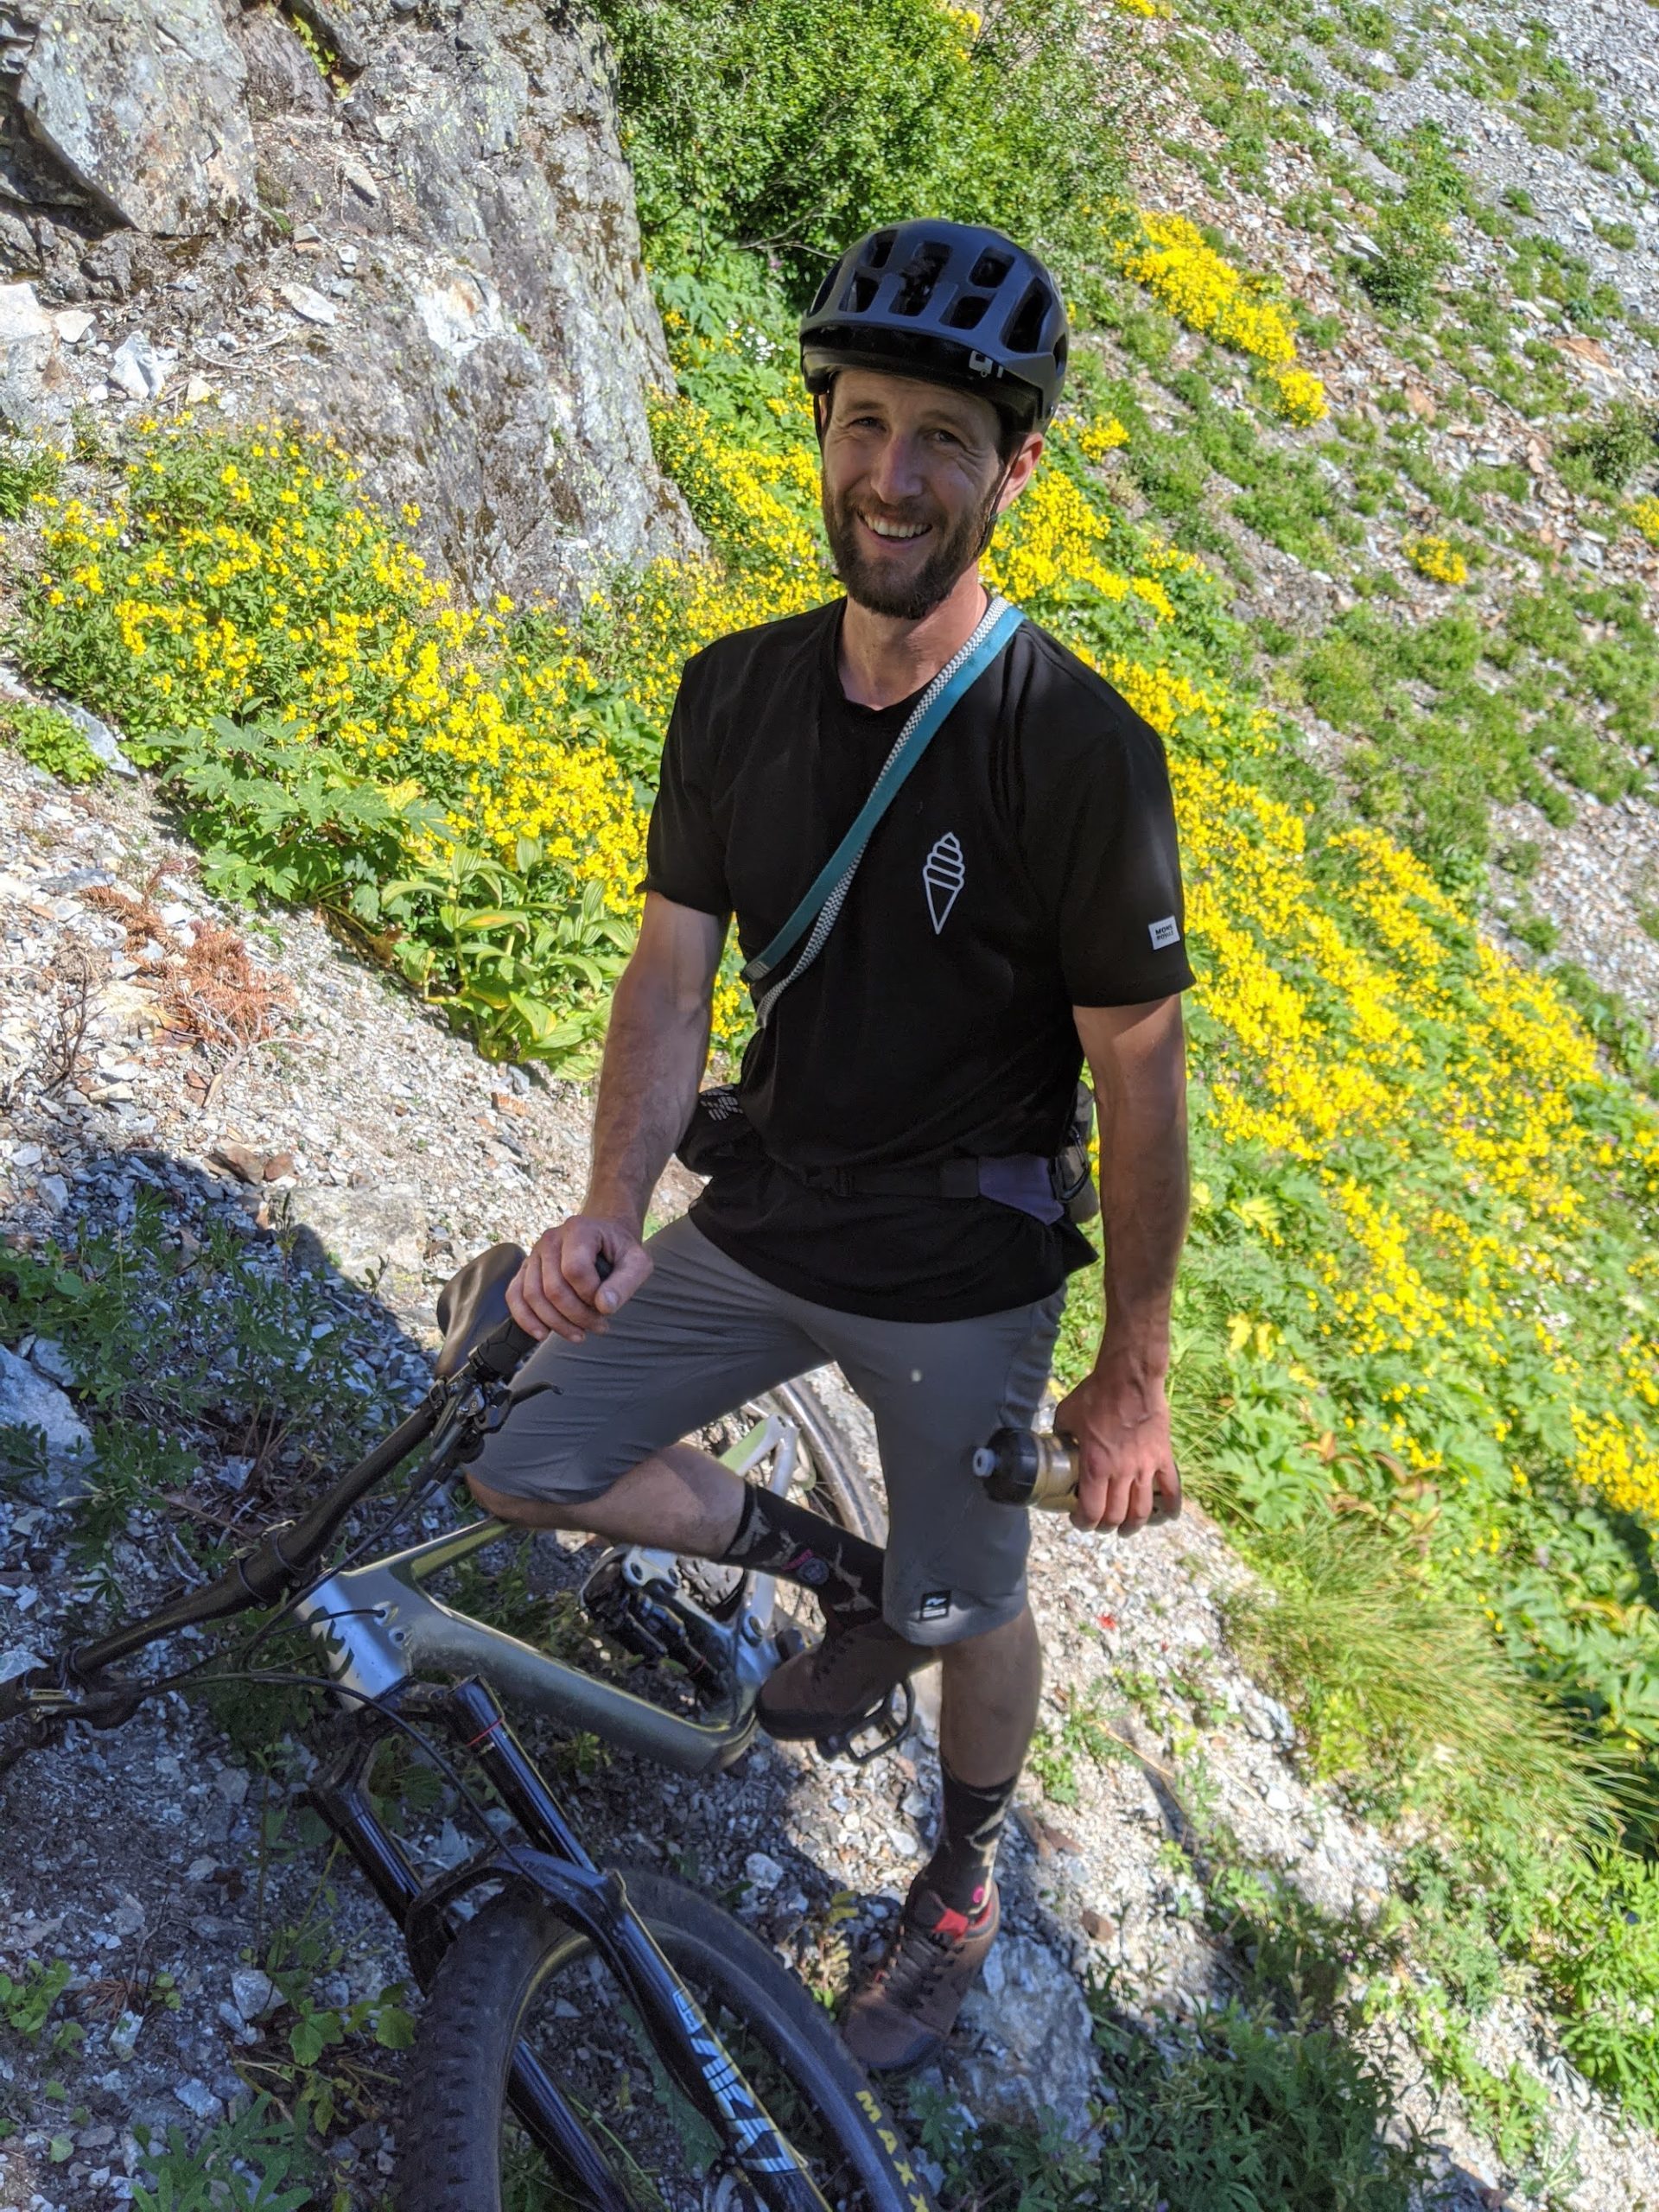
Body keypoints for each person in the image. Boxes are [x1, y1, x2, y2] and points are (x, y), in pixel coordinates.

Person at [466, 219, 1193, 2073]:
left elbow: (1141, 1080)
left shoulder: (1076, 747)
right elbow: (671, 970)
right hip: (766, 1215)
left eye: (946, 438)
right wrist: (611, 1209)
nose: (894, 476)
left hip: (962, 1275)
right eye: (866, 423)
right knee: (525, 1452)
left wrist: (1129, 1377)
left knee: (975, 1609)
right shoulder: (734, 691)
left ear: (1015, 469)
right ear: (822, 430)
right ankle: (833, 1571)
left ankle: (960, 1878)